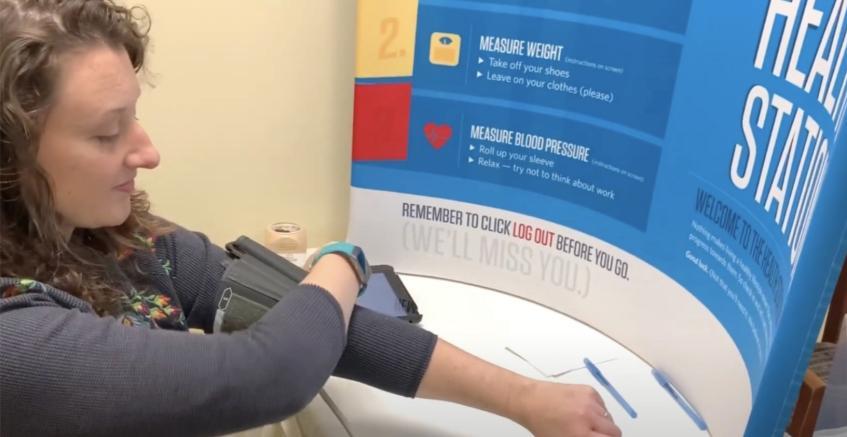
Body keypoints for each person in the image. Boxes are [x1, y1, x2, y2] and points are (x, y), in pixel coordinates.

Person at [0, 1, 622, 436]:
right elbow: (273, 373)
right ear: (12, 155)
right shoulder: (15, 339)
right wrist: (343, 260)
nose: (148, 152)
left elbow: (312, 320)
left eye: (133, 116)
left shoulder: (117, 238)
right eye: (107, 133)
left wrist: (527, 399)